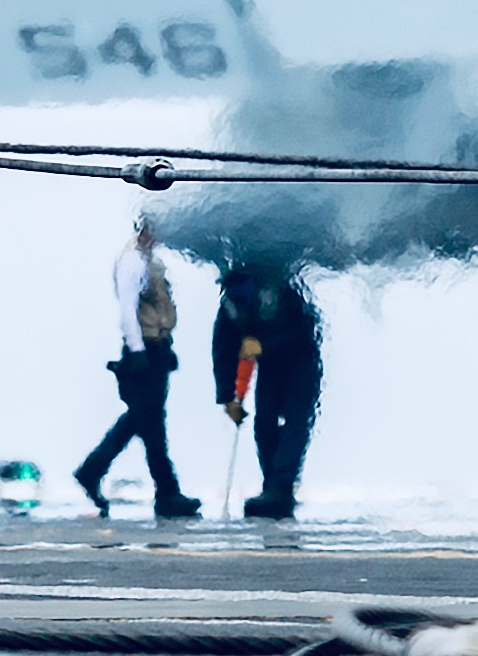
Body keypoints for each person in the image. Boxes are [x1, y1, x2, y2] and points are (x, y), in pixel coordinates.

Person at [70, 216, 199, 519]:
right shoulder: (132, 261)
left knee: (144, 422)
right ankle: (164, 492)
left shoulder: (148, 259)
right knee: (148, 422)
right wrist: (139, 350)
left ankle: (100, 472)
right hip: (144, 350)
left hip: (155, 346)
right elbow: (128, 310)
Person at [209, 263, 323, 520]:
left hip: (302, 363)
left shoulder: (282, 294)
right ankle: (271, 484)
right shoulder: (230, 307)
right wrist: (228, 398)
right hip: (270, 366)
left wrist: (263, 346)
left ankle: (281, 487)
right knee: (264, 424)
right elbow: (223, 350)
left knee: (296, 422)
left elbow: (302, 331)